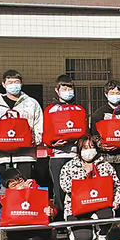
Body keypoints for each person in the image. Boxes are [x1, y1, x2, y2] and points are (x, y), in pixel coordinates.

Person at [60, 134, 120, 240]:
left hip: (100, 206)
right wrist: (86, 174)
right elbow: (66, 186)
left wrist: (116, 201)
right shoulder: (69, 166)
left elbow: (116, 185)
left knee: (108, 213)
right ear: (79, 150)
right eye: (85, 148)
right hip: (77, 209)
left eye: (92, 147)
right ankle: (80, 232)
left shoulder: (106, 166)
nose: (89, 150)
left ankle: (102, 235)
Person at [0, 70, 43, 178]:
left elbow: (39, 125)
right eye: (10, 82)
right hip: (0, 157)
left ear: (22, 82)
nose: (13, 85)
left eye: (16, 82)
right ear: (3, 84)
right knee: (2, 186)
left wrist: (33, 141)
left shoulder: (32, 104)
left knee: (24, 186)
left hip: (25, 156)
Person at [45, 75, 85, 217]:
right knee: (58, 189)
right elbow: (45, 132)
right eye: (64, 88)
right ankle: (60, 219)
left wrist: (80, 142)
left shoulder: (79, 109)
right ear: (57, 90)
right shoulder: (50, 110)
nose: (67, 91)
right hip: (57, 156)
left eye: (70, 88)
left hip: (75, 155)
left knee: (78, 188)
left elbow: (85, 131)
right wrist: (52, 142)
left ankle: (77, 216)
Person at [90, 79, 120, 178]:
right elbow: (93, 135)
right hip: (106, 159)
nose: (115, 95)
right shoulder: (99, 113)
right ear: (106, 94)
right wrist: (102, 146)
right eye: (112, 93)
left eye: (117, 93)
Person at [0, 168, 57, 240]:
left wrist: (51, 211)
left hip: (36, 223)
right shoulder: (5, 197)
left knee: (45, 224)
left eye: (20, 181)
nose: (19, 185)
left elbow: (52, 207)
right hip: (17, 226)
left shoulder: (37, 189)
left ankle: (47, 239)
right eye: (14, 185)